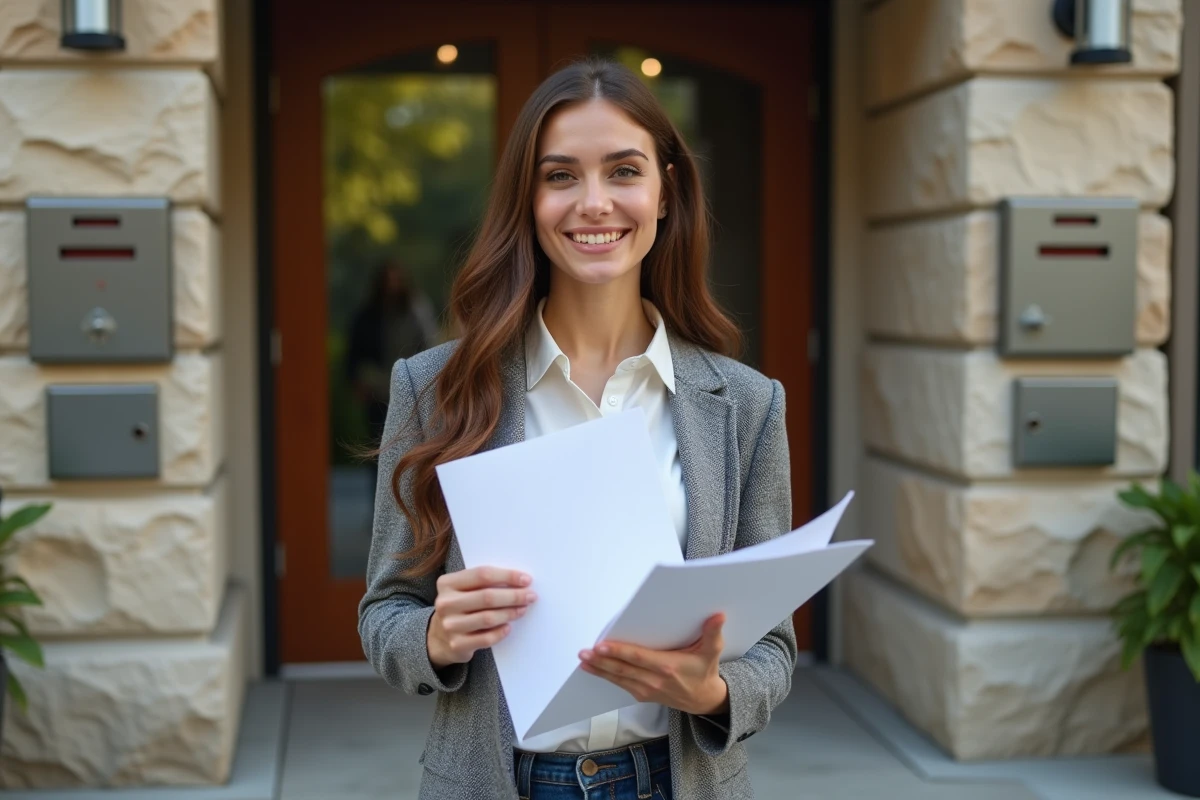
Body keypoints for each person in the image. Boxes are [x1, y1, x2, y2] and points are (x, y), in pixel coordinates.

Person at [359, 57, 795, 800]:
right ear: (528, 201)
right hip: (500, 782)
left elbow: (774, 650)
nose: (594, 203)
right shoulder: (434, 388)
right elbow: (384, 616)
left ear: (665, 193)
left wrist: (714, 691)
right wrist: (435, 636)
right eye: (561, 176)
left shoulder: (746, 405)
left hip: (676, 781)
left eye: (623, 171)